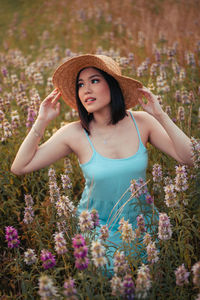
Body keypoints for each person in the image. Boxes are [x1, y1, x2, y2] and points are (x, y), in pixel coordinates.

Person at [11, 54, 193, 272]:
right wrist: (41, 120)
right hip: (98, 233)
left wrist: (160, 114)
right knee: (110, 276)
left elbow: (190, 158)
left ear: (112, 85)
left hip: (147, 229)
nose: (86, 89)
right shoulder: (75, 133)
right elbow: (19, 167)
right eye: (80, 84)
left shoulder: (142, 122)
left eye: (94, 80)